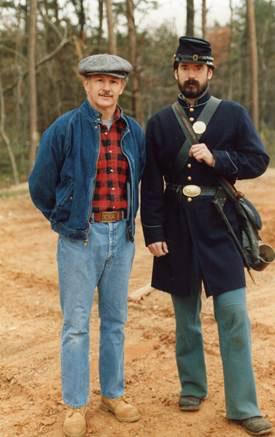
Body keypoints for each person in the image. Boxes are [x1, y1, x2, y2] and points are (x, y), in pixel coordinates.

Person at [141, 36, 272, 435]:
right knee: (186, 319)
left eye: (199, 68)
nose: (191, 75)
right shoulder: (160, 122)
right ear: (176, 73)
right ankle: (193, 387)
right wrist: (154, 230)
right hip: (177, 229)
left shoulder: (232, 114)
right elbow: (150, 183)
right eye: (185, 68)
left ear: (210, 72)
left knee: (233, 316)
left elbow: (258, 159)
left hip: (222, 227)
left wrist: (219, 159)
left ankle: (244, 405)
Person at [29, 53, 145, 437]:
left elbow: (140, 177)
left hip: (121, 237)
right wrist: (64, 219)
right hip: (80, 238)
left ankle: (113, 394)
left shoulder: (133, 132)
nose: (105, 87)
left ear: (122, 86)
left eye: (113, 80)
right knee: (76, 325)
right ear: (85, 84)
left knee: (115, 322)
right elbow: (40, 185)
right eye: (98, 80)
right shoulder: (64, 129)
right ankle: (75, 404)